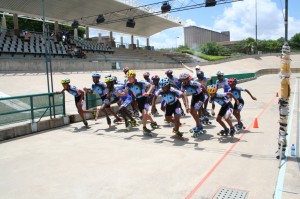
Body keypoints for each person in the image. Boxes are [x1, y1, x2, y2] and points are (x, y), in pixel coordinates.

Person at [117, 70, 158, 135]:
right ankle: (153, 122)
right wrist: (120, 94)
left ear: (134, 77)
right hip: (139, 100)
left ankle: (144, 128)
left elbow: (152, 86)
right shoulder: (128, 84)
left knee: (144, 114)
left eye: (130, 78)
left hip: (145, 99)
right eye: (128, 78)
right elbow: (125, 93)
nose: (129, 79)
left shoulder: (140, 82)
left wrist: (148, 92)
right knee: (146, 115)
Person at [179, 72, 207, 137]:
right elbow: (183, 95)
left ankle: (199, 126)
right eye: (182, 80)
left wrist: (208, 95)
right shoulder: (183, 84)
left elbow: (203, 87)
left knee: (194, 112)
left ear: (188, 79)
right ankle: (198, 124)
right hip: (194, 96)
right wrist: (186, 106)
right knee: (191, 112)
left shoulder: (193, 83)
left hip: (200, 96)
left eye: (185, 79)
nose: (183, 81)